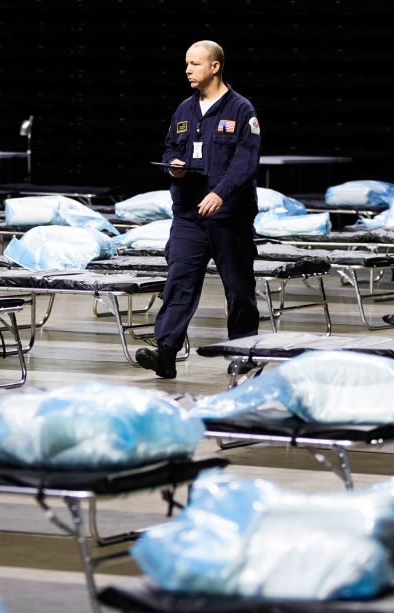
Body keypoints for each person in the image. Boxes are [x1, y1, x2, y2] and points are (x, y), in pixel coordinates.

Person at [135, 40, 262, 379]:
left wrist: (221, 193)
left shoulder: (240, 109)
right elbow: (170, 148)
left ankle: (245, 352)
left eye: (195, 63)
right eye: (186, 64)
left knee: (238, 289)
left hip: (228, 218)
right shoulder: (184, 110)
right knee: (179, 281)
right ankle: (166, 352)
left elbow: (246, 161)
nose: (188, 70)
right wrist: (172, 165)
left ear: (215, 66)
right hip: (190, 216)